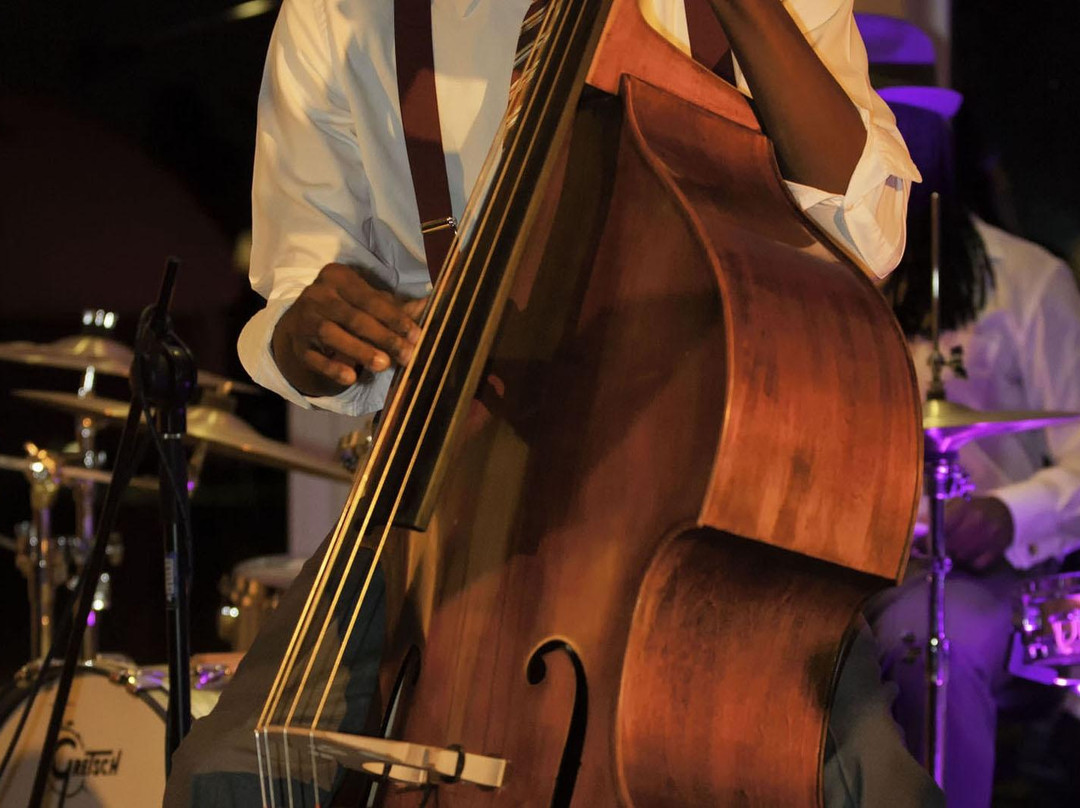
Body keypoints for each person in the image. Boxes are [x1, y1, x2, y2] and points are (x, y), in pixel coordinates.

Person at [165, 1, 939, 805]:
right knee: (223, 777)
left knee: (875, 789)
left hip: (695, 488)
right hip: (449, 488)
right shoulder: (338, 14)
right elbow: (302, 283)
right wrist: (310, 333)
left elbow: (867, 235)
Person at [866, 87, 1080, 808]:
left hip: (987, 574)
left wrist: (1007, 513)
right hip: (855, 561)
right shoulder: (838, 271)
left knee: (930, 646)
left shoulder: (1028, 281)